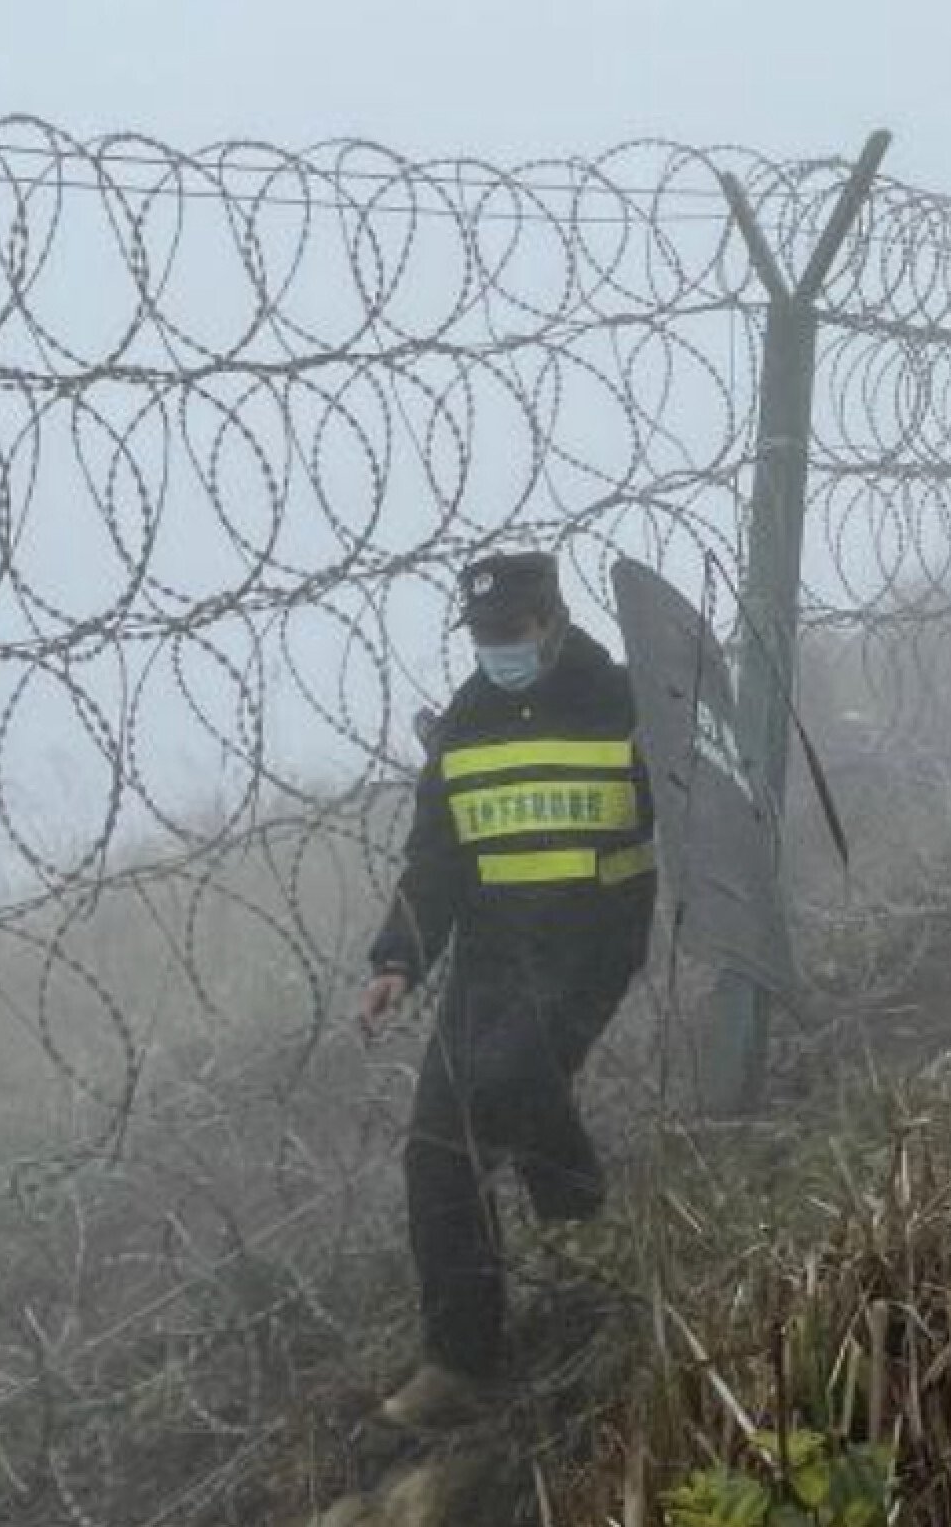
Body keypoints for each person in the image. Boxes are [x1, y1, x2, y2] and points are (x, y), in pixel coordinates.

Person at [358, 551, 656, 1428]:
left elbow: (697, 800)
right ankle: (460, 1362)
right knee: (435, 1152)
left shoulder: (621, 700)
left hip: (588, 945)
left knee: (512, 1081)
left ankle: (581, 1217)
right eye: (482, 635)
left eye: (509, 632)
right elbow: (435, 860)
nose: (495, 648)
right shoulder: (469, 719)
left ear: (551, 621)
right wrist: (395, 963)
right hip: (491, 957)